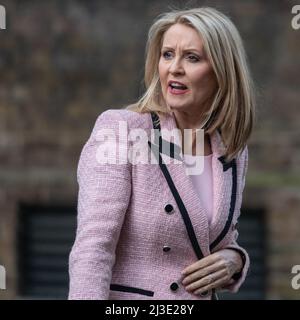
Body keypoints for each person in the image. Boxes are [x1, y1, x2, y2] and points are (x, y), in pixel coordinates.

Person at [68, 7, 255, 300]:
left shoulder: (232, 149)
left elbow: (215, 236)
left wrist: (235, 259)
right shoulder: (122, 130)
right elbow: (93, 248)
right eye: (167, 55)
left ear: (222, 71)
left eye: (192, 57)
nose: (174, 68)